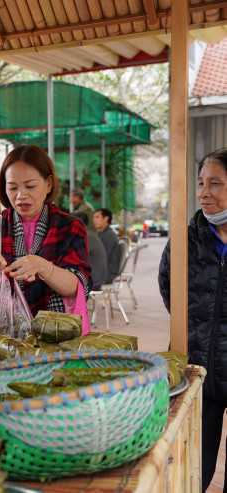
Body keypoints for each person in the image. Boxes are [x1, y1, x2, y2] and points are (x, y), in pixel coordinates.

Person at [0, 145, 91, 338]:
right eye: (12, 187)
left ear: (48, 184)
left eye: (30, 186)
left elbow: (77, 286)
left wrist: (42, 266)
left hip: (52, 337)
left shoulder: (70, 228)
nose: (21, 195)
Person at [158, 149, 227, 491]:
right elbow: (168, 288)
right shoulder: (186, 238)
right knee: (194, 467)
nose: (204, 192)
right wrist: (198, 326)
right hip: (196, 368)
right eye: (201, 183)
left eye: (216, 183)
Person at [72, 211, 107, 290]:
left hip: (94, 280)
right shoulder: (88, 234)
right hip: (96, 277)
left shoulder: (87, 236)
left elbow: (75, 256)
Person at [93, 208, 122, 284]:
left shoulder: (109, 235)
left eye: (97, 217)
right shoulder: (101, 233)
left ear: (106, 219)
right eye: (94, 217)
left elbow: (103, 257)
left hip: (106, 274)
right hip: (101, 271)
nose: (94, 220)